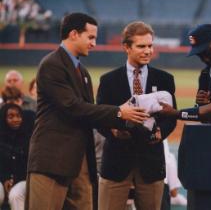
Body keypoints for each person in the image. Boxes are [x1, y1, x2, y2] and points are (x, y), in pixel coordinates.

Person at [25, 13, 149, 210]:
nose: (94, 43)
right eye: (90, 37)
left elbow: (90, 114)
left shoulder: (82, 72)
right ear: (74, 34)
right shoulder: (51, 65)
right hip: (52, 161)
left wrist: (120, 126)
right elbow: (72, 107)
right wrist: (118, 112)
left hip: (81, 161)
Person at [96, 21, 177, 210]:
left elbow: (170, 117)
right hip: (116, 162)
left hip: (151, 162)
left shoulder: (165, 79)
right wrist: (114, 132)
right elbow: (100, 117)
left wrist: (160, 134)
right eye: (141, 46)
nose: (148, 51)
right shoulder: (109, 80)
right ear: (126, 47)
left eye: (150, 45)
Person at [0, 103, 34, 210]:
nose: (16, 119)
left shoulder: (29, 138)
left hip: (24, 179)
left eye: (18, 116)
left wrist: (14, 180)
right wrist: (5, 179)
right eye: (11, 117)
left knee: (15, 195)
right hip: (2, 179)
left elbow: (29, 165)